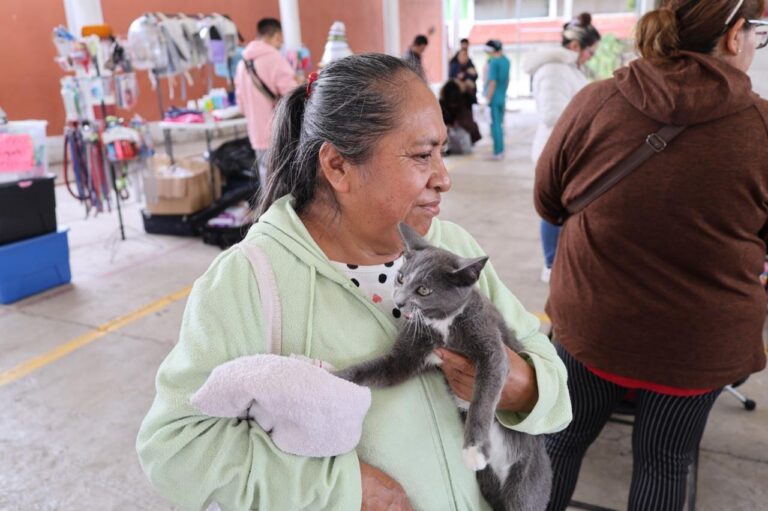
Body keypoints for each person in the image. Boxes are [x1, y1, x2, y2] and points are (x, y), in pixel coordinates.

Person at [137, 53, 572, 511]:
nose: (443, 178)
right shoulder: (250, 281)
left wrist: (527, 387)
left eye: (442, 152)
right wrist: (342, 489)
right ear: (338, 166)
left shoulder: (448, 247)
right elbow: (175, 446)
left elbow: (545, 365)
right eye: (423, 155)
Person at [534, 1, 768, 510]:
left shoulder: (597, 100)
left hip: (594, 326)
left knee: (560, 442)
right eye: (758, 34)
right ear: (733, 38)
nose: (756, 45)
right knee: (665, 461)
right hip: (697, 345)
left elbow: (548, 203)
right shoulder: (761, 127)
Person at [524, 12, 601, 284]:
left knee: (568, 210)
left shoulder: (569, 69)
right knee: (554, 211)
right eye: (590, 51)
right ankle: (551, 264)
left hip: (571, 150)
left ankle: (560, 262)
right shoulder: (554, 70)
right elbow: (552, 114)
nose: (591, 57)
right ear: (576, 46)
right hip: (555, 152)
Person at [234, 17, 300, 188]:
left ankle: (269, 214)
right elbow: (292, 96)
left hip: (256, 133)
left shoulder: (242, 64)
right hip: (278, 132)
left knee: (267, 180)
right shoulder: (275, 58)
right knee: (286, 181)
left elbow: (241, 104)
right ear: (277, 36)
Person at [484, 39, 510, 160]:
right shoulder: (506, 61)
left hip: (494, 98)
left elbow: (492, 82)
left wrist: (487, 99)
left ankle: (497, 151)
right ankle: (501, 150)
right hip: (502, 96)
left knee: (495, 126)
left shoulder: (493, 62)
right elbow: (508, 80)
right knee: (499, 124)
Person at [440, 79, 481, 154]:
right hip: (466, 132)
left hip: (457, 130)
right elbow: (474, 101)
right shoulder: (464, 97)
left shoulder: (443, 102)